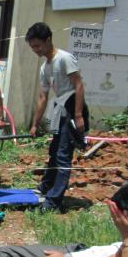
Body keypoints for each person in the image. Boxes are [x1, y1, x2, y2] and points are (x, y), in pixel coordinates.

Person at [26, 22, 88, 213]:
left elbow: (78, 85)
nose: (36, 50)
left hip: (72, 107)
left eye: (38, 46)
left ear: (48, 40)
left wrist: (78, 115)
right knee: (54, 151)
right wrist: (35, 124)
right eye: (33, 47)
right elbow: (43, 97)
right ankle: (46, 187)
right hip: (60, 109)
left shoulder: (64, 59)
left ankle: (54, 201)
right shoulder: (45, 67)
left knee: (63, 155)